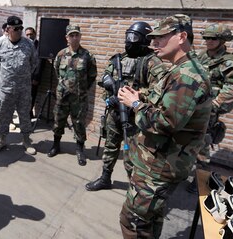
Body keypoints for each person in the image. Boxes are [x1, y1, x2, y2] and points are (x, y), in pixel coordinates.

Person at [117, 14, 212, 238]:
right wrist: (144, 95)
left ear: (181, 37)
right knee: (151, 220)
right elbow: (167, 101)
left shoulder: (188, 76)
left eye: (160, 37)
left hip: (160, 167)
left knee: (133, 222)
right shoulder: (180, 69)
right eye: (153, 38)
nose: (153, 43)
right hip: (157, 162)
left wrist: (136, 104)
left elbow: (166, 122)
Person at [85, 22, 165, 191]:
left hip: (136, 116)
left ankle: (134, 188)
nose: (129, 41)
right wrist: (111, 95)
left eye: (134, 37)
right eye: (128, 36)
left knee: (132, 155)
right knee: (110, 147)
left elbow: (157, 93)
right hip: (115, 113)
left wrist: (134, 96)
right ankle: (105, 178)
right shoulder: (118, 59)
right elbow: (104, 80)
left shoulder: (153, 63)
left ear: (143, 40)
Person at [186, 23, 233, 193]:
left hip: (210, 109)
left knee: (202, 143)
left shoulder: (228, 61)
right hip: (193, 105)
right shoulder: (201, 56)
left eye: (213, 38)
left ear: (222, 40)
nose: (208, 41)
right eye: (206, 37)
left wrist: (215, 103)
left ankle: (202, 180)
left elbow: (231, 87)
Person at [48, 25, 97, 166]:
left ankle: (80, 149)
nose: (74, 38)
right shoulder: (61, 54)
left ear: (80, 36)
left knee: (79, 124)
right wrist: (65, 86)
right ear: (67, 38)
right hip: (62, 96)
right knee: (58, 121)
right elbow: (57, 71)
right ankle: (56, 145)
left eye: (77, 35)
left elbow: (92, 76)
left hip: (79, 98)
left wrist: (80, 89)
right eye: (71, 35)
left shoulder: (88, 56)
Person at [0, 16, 37, 155]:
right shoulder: (0, 44)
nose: (19, 31)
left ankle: (26, 140)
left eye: (21, 28)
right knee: (3, 115)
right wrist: (7, 77)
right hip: (6, 88)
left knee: (24, 115)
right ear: (8, 29)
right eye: (16, 29)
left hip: (24, 88)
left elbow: (34, 63)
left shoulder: (28, 44)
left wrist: (22, 76)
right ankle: (1, 140)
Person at [25, 27, 45, 118]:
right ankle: (26, 114)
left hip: (33, 77)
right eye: (27, 34)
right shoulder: (24, 45)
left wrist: (36, 77)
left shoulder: (40, 46)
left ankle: (29, 114)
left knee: (32, 96)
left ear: (35, 34)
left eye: (31, 34)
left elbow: (40, 62)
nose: (29, 36)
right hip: (24, 77)